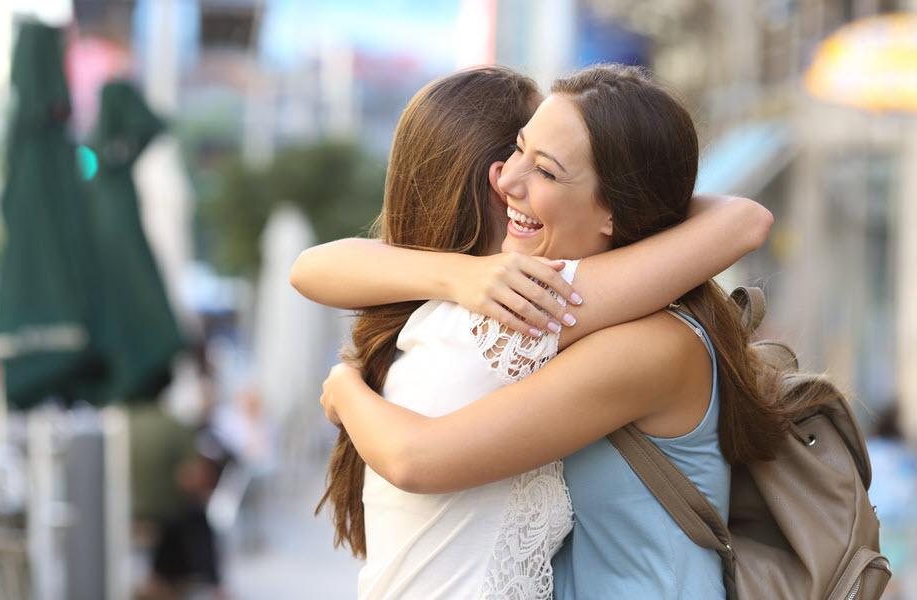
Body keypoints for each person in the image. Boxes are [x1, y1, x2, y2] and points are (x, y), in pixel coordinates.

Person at [296, 65, 778, 598]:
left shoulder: (629, 334)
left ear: (614, 210)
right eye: (516, 149)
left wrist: (344, 387)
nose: (507, 178)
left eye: (547, 170)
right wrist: (461, 274)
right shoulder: (524, 309)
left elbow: (745, 221)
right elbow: (311, 267)